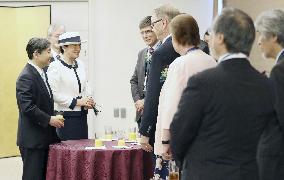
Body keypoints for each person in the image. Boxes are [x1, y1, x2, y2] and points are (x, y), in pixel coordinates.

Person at [170, 8, 276, 180]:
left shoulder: (202, 82)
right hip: (250, 173)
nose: (209, 39)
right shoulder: (267, 85)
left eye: (211, 34)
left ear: (220, 38)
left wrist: (189, 166)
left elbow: (180, 132)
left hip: (204, 172)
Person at [153, 14, 216, 179]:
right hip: (208, 137)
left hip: (184, 138)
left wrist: (165, 141)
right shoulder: (211, 61)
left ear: (176, 38)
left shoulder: (180, 64)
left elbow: (171, 106)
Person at [16, 38, 64, 180]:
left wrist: (55, 114)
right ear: (36, 54)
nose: (52, 55)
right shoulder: (26, 77)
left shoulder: (41, 73)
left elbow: (43, 103)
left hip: (44, 138)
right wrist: (50, 119)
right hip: (33, 141)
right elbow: (28, 108)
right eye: (49, 51)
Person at [139, 4, 180, 152]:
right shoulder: (186, 47)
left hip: (164, 123)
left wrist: (145, 130)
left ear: (164, 23)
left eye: (153, 24)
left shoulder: (162, 52)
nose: (152, 28)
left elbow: (154, 93)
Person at [47, 32, 95, 140]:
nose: (78, 48)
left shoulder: (81, 64)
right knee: (69, 154)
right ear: (64, 47)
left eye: (79, 45)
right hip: (65, 118)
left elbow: (86, 84)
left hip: (82, 116)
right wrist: (77, 102)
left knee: (82, 152)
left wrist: (88, 99)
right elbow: (54, 94)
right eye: (74, 45)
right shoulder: (55, 66)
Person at [255, 9, 284, 180]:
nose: (258, 42)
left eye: (261, 34)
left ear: (273, 35)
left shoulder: (279, 71)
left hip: (276, 159)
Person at [130, 16, 160, 128]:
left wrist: (146, 101)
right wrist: (138, 101)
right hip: (141, 112)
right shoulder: (142, 53)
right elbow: (134, 80)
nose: (145, 36)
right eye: (142, 33)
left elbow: (163, 84)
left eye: (148, 31)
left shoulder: (164, 51)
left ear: (155, 29)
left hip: (157, 112)